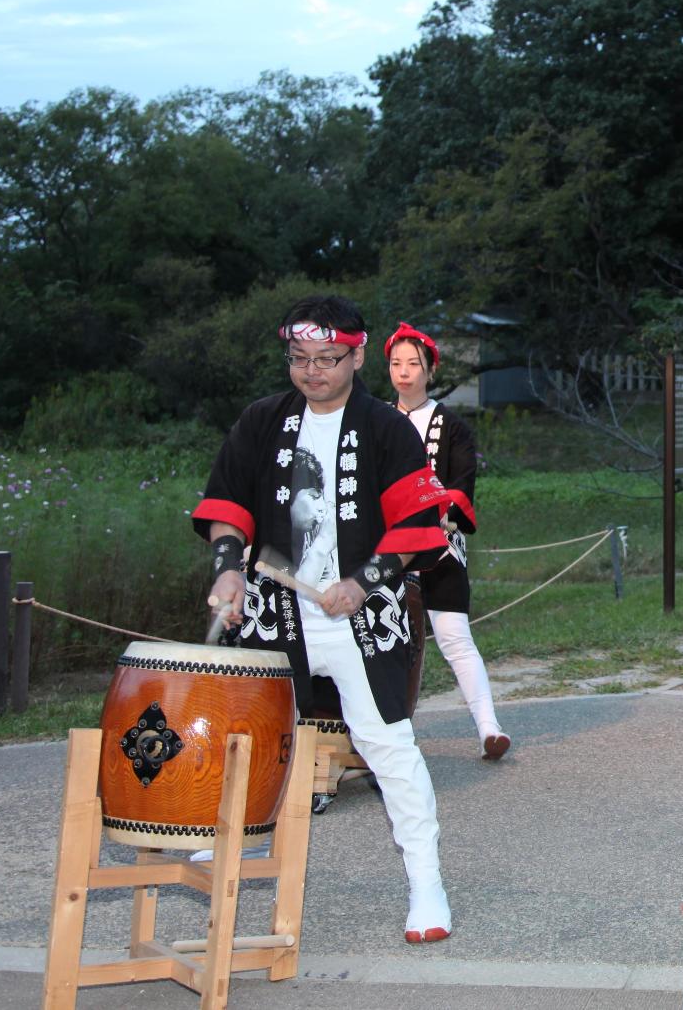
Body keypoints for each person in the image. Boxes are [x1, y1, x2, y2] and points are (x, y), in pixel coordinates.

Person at [195, 295, 457, 943]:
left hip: (361, 614)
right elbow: (229, 505)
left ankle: (427, 884)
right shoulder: (261, 421)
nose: (313, 372)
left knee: (387, 746)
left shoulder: (386, 429)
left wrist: (365, 580)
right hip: (277, 607)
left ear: (357, 354)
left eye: (328, 359)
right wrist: (229, 565)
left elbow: (418, 526)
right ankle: (238, 839)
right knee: (249, 738)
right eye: (300, 359)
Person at [384, 321, 510, 761]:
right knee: (380, 642)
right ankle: (383, 739)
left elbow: (460, 488)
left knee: (455, 636)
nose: (404, 372)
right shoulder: (375, 421)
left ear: (429, 370)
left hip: (438, 545)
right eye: (396, 363)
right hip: (382, 552)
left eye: (413, 363)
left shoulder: (451, 426)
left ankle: (488, 727)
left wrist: (427, 516)